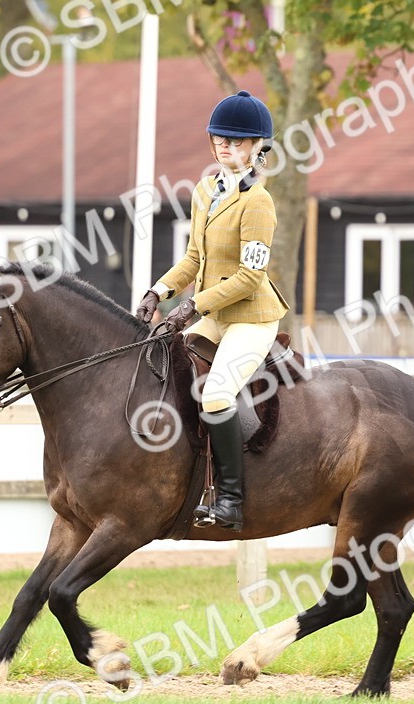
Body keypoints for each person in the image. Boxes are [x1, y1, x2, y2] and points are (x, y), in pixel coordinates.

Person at [134, 90, 289, 532]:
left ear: (258, 147)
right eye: (220, 139)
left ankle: (232, 501)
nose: (225, 146)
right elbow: (194, 260)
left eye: (236, 141)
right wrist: (159, 291)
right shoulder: (205, 190)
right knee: (160, 366)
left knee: (218, 394)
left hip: (251, 319)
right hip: (213, 315)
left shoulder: (259, 202)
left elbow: (249, 278)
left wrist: (192, 308)